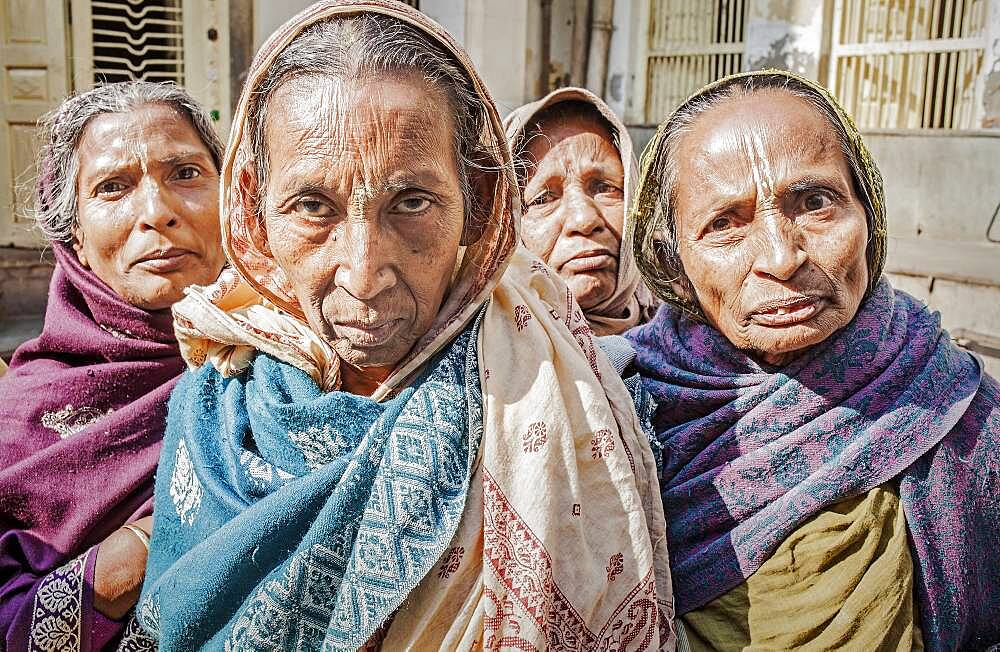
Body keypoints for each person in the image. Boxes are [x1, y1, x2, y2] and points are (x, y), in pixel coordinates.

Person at [137, 2, 675, 650]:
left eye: (412, 202)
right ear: (254, 213)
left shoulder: (576, 398)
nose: (364, 275)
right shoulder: (217, 412)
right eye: (313, 206)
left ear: (479, 202)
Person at [624, 70, 1000, 651]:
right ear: (673, 261)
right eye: (725, 223)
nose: (781, 256)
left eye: (815, 203)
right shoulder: (618, 406)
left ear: (869, 214)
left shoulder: (957, 404)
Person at [0, 81, 225, 650]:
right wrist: (157, 541)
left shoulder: (308, 357)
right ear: (73, 232)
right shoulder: (20, 420)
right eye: (113, 187)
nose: (158, 212)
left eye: (186, 174)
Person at [506, 87, 656, 335]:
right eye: (544, 199)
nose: (584, 220)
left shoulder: (692, 334)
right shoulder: (481, 355)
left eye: (604, 187)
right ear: (504, 228)